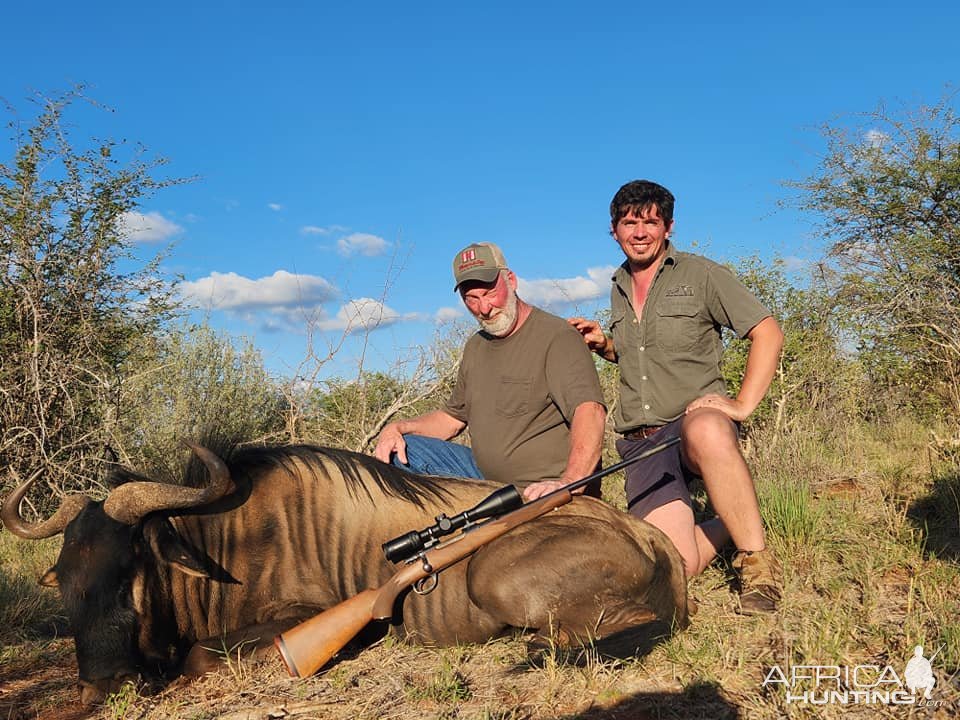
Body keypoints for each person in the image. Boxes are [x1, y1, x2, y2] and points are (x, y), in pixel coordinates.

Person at [568, 180, 785, 614]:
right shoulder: (617, 286)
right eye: (630, 223)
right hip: (643, 442)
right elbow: (642, 356)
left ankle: (757, 566)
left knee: (706, 426)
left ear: (668, 227)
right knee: (674, 567)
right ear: (614, 231)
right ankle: (730, 519)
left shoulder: (701, 274)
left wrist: (741, 405)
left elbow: (767, 331)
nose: (640, 232)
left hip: (693, 424)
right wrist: (606, 346)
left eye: (650, 222)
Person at [374, 242, 607, 501]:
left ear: (511, 280)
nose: (483, 308)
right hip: (485, 480)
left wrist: (570, 481)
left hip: (538, 487)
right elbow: (452, 419)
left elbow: (590, 411)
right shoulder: (476, 346)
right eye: (471, 299)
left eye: (489, 293)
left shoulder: (557, 336)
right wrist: (397, 427)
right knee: (403, 450)